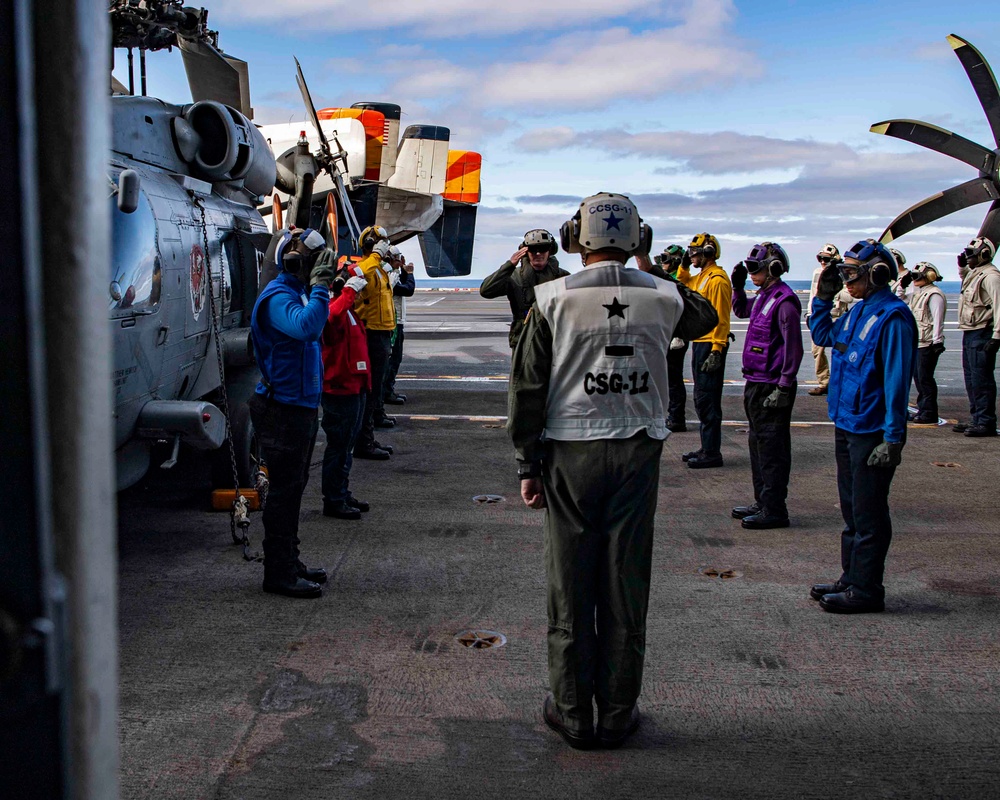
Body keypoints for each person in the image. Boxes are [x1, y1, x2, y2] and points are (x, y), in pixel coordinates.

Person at [508, 192, 714, 750]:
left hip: (569, 452)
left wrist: (527, 462)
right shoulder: (664, 295)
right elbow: (707, 315)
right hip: (638, 452)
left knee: (570, 584)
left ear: (576, 236)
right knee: (625, 580)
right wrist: (648, 267)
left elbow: (526, 389)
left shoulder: (551, 297)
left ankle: (574, 712)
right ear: (637, 237)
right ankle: (619, 711)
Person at [808, 240, 917, 614]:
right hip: (847, 422)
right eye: (844, 275)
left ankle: (867, 590)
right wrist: (822, 300)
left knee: (869, 513)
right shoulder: (857, 313)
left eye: (853, 275)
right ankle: (850, 577)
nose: (847, 282)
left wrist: (893, 437)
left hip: (870, 430)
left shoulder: (894, 318)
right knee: (852, 509)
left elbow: (896, 381)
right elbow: (823, 336)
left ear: (878, 275)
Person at [249, 228, 338, 599]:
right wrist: (320, 288)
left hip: (297, 407)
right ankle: (278, 573)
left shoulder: (295, 293)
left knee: (295, 488)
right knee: (285, 493)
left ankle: (290, 560)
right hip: (281, 409)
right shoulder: (278, 297)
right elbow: (307, 327)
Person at [730, 242, 803, 529]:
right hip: (756, 382)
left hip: (772, 385)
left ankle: (774, 509)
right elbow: (740, 310)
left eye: (753, 268)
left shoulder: (784, 302)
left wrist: (784, 386)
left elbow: (793, 348)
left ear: (772, 268)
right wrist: (737, 287)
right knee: (758, 445)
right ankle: (763, 501)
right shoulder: (764, 297)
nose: (750, 273)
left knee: (772, 449)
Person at [320, 264, 372, 520]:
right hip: (340, 390)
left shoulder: (350, 311)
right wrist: (348, 292)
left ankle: (341, 491)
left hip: (354, 387)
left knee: (347, 446)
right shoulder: (333, 310)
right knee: (339, 446)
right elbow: (332, 319)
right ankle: (334, 499)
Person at [676, 233, 733, 468]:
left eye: (694, 253)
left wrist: (717, 350)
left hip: (710, 344)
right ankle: (705, 446)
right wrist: (683, 265)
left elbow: (721, 318)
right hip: (701, 341)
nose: (691, 257)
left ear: (708, 253)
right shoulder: (702, 278)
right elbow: (682, 283)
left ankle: (712, 452)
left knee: (708, 399)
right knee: (701, 398)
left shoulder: (717, 280)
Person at [479, 229, 569, 349]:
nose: (538, 254)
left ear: (550, 251)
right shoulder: (514, 277)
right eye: (533, 250)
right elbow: (486, 290)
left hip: (555, 340)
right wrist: (509, 266)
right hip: (523, 340)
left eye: (543, 249)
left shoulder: (562, 277)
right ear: (525, 252)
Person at [352, 225, 396, 459]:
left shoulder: (379, 269)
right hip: (370, 335)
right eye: (381, 243)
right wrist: (376, 255)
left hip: (382, 334)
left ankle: (368, 438)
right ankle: (363, 443)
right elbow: (359, 271)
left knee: (375, 391)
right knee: (368, 392)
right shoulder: (367, 267)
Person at [953, 237, 1000, 437]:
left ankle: (986, 422)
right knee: (971, 379)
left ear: (984, 255)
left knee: (982, 380)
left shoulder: (991, 277)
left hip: (983, 332)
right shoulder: (976, 274)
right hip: (971, 332)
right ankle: (977, 418)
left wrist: (997, 336)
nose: (968, 259)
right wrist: (962, 268)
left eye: (971, 256)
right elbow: (967, 281)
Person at [895, 262, 946, 424]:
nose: (915, 280)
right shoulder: (919, 293)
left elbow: (938, 319)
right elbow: (899, 300)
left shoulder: (934, 294)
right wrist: (902, 285)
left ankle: (929, 412)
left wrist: (937, 341)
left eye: (917, 277)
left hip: (928, 344)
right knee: (919, 378)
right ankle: (923, 409)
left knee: (925, 379)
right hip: (917, 343)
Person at [383, 245, 415, 406]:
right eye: (398, 258)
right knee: (393, 358)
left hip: (396, 320)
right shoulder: (389, 277)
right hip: (392, 321)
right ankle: (386, 392)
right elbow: (408, 289)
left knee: (395, 358)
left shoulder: (393, 274)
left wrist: (403, 269)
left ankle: (388, 390)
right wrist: (409, 273)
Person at [806, 244, 840, 396]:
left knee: (840, 352)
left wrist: (832, 294)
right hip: (818, 315)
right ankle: (824, 382)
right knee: (817, 350)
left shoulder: (842, 272)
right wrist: (809, 313)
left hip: (836, 316)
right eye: (820, 258)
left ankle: (839, 382)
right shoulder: (817, 272)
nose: (822, 262)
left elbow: (850, 295)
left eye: (826, 259)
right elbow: (813, 294)